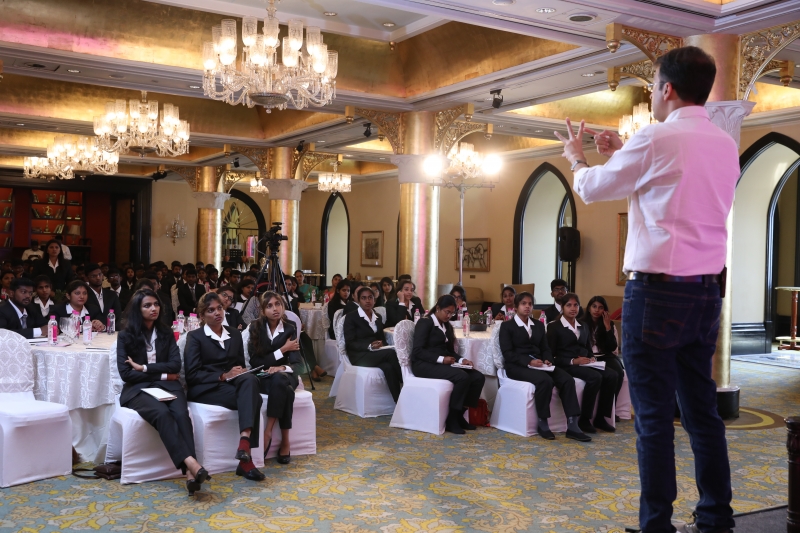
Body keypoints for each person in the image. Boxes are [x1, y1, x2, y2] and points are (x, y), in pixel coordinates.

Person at [557, 46, 737, 533]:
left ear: (667, 89)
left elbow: (592, 188)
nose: (653, 94)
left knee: (654, 417)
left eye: (653, 86)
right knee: (702, 412)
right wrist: (623, 153)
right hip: (706, 293)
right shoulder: (723, 143)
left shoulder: (657, 137)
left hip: (657, 295)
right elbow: (675, 188)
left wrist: (577, 159)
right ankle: (716, 517)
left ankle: (657, 524)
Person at [116, 289, 209, 495]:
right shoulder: (125, 336)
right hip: (138, 390)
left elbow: (175, 365)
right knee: (162, 413)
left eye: (156, 304)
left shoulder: (166, 332)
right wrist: (164, 375)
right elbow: (126, 374)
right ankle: (191, 464)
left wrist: (144, 368)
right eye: (147, 305)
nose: (153, 309)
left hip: (168, 387)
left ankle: (190, 473)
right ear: (138, 309)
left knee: (181, 414)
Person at [184, 292, 265, 481]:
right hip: (205, 388)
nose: (217, 313)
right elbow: (192, 375)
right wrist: (222, 375)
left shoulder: (234, 334)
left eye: (219, 308)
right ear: (202, 315)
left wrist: (239, 372)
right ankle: (246, 460)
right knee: (255, 398)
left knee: (250, 380)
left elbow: (238, 365)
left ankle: (244, 442)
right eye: (210, 310)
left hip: (230, 385)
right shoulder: (195, 337)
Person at [499, 292, 590, 442]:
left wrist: (547, 360)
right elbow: (508, 353)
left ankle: (573, 424)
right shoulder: (507, 326)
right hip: (517, 366)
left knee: (567, 379)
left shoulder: (538, 325)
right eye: (523, 304)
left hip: (540, 364)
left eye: (530, 304)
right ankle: (543, 422)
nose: (527, 307)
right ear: (515, 307)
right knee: (545, 381)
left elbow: (545, 348)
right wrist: (529, 362)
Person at [412, 294, 485, 434]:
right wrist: (441, 359)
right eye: (447, 312)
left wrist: (462, 360)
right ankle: (452, 418)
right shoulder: (425, 322)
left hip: (439, 363)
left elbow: (449, 351)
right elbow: (417, 351)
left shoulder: (446, 325)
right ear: (438, 308)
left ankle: (460, 414)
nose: (449, 316)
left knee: (478, 377)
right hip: (423, 364)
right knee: (462, 377)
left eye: (452, 313)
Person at [546, 293, 617, 434]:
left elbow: (588, 349)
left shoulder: (583, 325)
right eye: (569, 305)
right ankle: (584, 419)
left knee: (612, 375)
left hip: (585, 362)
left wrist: (591, 358)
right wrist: (573, 361)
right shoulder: (554, 327)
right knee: (595, 377)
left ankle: (600, 417)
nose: (573, 308)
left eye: (576, 305)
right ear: (562, 307)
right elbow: (551, 355)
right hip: (566, 365)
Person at [247, 291, 303, 464]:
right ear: (263, 310)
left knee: (281, 379)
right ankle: (285, 440)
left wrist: (282, 367)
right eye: (269, 306)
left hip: (285, 374)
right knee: (287, 391)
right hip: (263, 376)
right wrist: (283, 350)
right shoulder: (255, 327)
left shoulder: (290, 327)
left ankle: (268, 431)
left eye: (278, 304)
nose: (275, 309)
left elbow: (298, 364)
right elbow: (256, 362)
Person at [343, 286, 402, 402]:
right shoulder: (351, 317)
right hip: (359, 355)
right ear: (358, 300)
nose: (367, 301)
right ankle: (407, 382)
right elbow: (350, 343)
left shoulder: (377, 317)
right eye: (364, 298)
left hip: (375, 354)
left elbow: (381, 339)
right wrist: (369, 346)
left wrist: (382, 345)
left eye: (370, 297)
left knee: (388, 367)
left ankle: (399, 402)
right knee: (390, 354)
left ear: (374, 299)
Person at [586, 296, 625, 411]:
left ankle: (611, 409)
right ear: (589, 308)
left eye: (600, 307)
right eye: (594, 306)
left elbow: (612, 347)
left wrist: (607, 327)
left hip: (605, 355)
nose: (597, 310)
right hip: (588, 356)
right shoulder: (582, 323)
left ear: (605, 310)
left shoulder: (609, 324)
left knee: (619, 372)